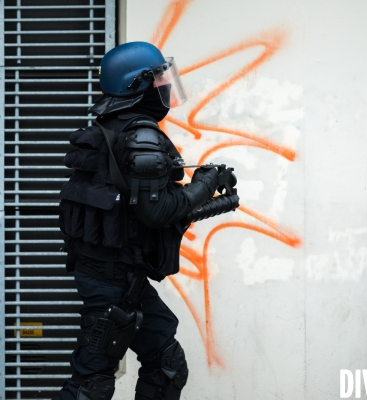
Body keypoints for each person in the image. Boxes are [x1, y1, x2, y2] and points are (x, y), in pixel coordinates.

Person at [53, 42, 235, 400]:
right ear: (136, 85)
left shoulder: (110, 129)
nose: (166, 88)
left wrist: (217, 202)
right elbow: (158, 211)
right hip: (112, 281)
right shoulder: (140, 134)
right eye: (158, 81)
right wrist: (207, 182)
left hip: (114, 275)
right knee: (92, 383)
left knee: (166, 363)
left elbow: (135, 213)